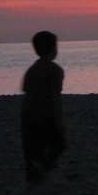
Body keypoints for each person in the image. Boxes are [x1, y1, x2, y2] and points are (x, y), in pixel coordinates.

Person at [21, 31, 66, 183]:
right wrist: (59, 120)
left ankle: (35, 172)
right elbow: (55, 97)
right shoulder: (55, 70)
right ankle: (44, 166)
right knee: (59, 143)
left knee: (33, 147)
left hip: (28, 114)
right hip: (46, 114)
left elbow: (26, 91)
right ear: (53, 49)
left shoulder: (31, 70)